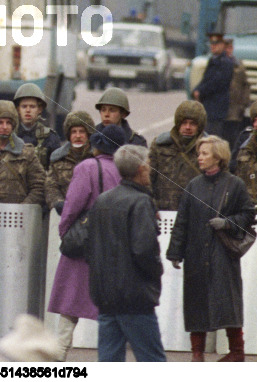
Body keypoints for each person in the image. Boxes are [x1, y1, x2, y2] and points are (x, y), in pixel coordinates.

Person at [166, 136, 256, 362]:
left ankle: (237, 352)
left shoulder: (235, 184)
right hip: (196, 254)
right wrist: (175, 252)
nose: (200, 158)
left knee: (228, 302)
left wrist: (227, 223)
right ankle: (197, 353)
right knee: (196, 302)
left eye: (204, 153)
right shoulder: (193, 185)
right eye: (199, 154)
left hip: (223, 254)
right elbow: (182, 221)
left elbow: (248, 215)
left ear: (218, 156)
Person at [48, 126, 124, 360]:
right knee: (108, 304)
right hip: (113, 243)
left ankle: (60, 351)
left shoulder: (87, 167)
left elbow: (72, 206)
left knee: (70, 299)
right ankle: (110, 356)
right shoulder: (124, 170)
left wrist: (65, 232)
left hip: (84, 242)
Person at [87, 144, 167, 362]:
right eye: (148, 165)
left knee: (109, 360)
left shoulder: (103, 200)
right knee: (152, 360)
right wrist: (156, 271)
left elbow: (90, 244)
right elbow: (144, 250)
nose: (150, 169)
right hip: (134, 296)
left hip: (105, 295)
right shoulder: (141, 202)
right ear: (140, 169)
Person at [148, 100, 207, 211]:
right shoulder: (160, 145)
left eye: (193, 124)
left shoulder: (208, 148)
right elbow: (147, 179)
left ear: (200, 126)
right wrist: (152, 206)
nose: (187, 127)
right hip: (163, 211)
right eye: (184, 123)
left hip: (195, 212)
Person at [44, 111, 96, 214]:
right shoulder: (58, 158)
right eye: (74, 132)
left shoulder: (97, 158)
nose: (78, 136)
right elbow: (50, 186)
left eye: (82, 131)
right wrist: (58, 203)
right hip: (63, 213)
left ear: (88, 134)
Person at [193, 31, 234, 136]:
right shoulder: (213, 60)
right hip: (209, 104)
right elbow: (205, 79)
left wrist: (201, 91)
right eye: (212, 44)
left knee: (212, 136)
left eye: (216, 44)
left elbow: (217, 82)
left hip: (217, 106)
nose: (213, 46)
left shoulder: (226, 62)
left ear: (222, 45)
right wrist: (196, 89)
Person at [13, 82, 62, 170]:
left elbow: (57, 170)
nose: (28, 110)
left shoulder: (50, 138)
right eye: (24, 107)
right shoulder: (11, 135)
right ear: (18, 109)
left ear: (39, 109)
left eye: (32, 107)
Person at [223, 38, 251, 145]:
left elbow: (245, 85)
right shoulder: (219, 63)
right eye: (226, 48)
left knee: (233, 136)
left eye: (229, 48)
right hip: (223, 107)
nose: (228, 50)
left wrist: (244, 104)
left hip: (235, 107)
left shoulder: (239, 65)